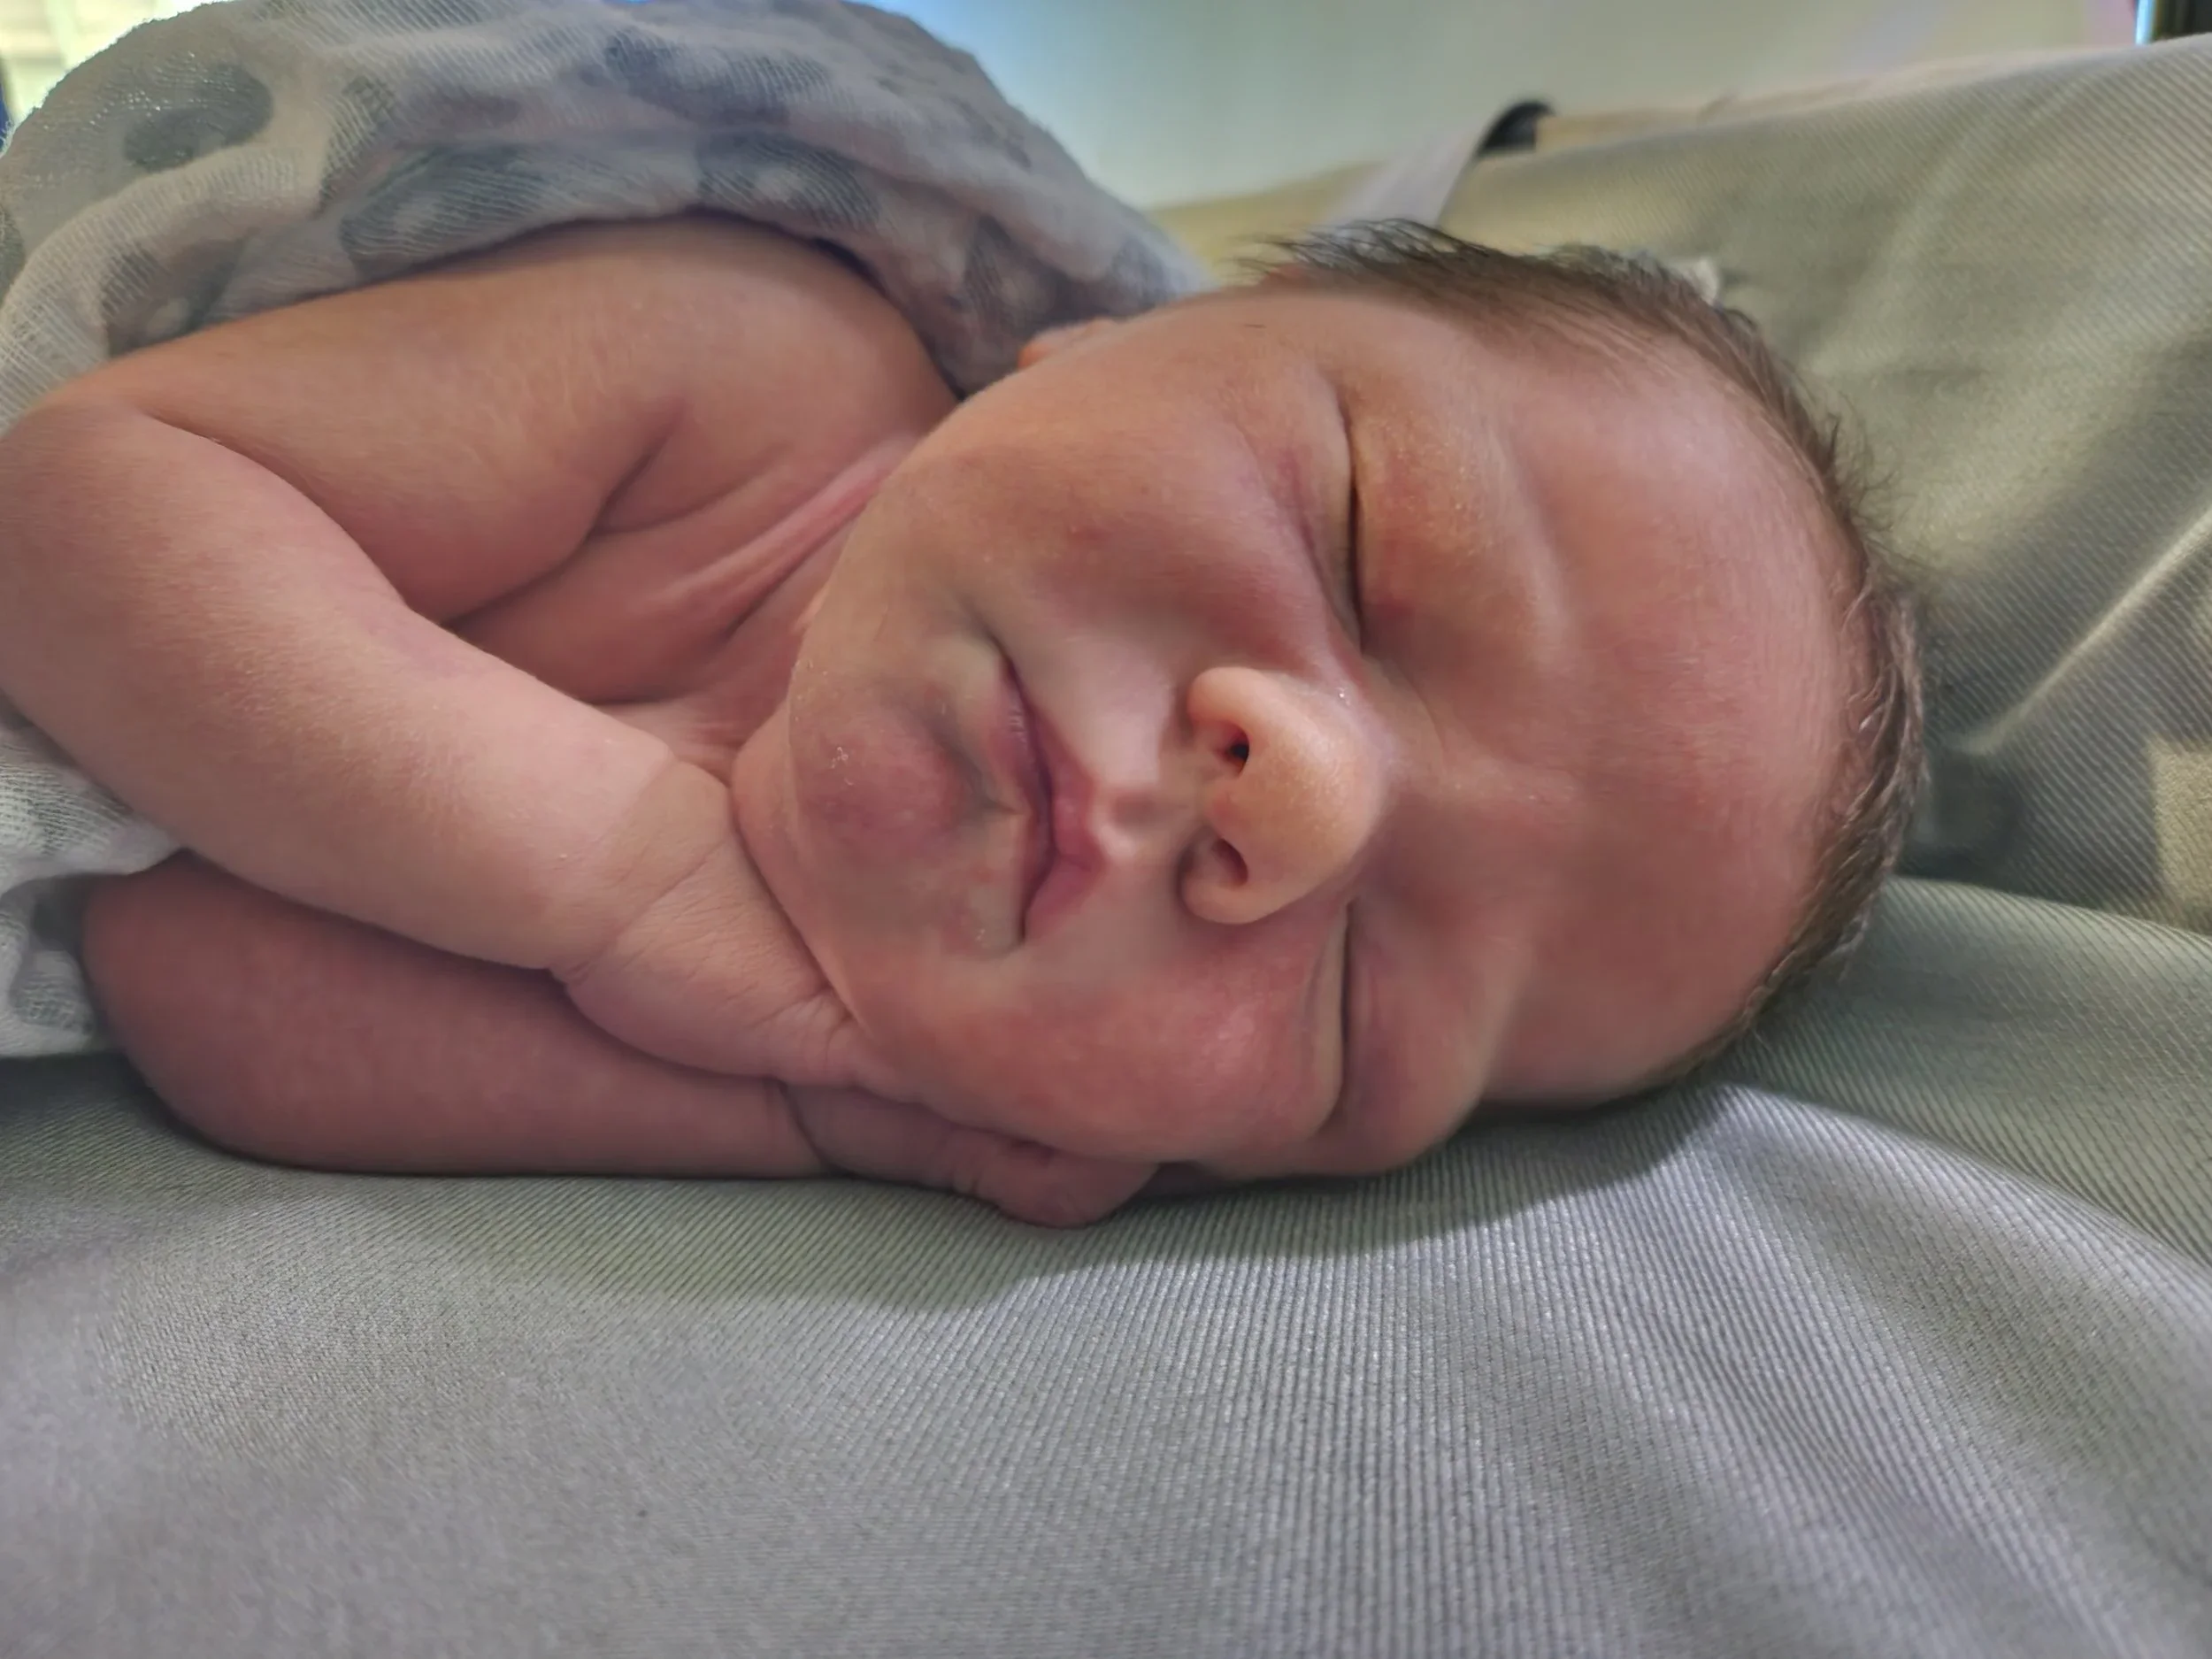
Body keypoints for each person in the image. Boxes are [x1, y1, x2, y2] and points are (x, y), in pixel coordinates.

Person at [0, 211, 1920, 1226]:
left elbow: (174, 959)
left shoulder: (809, 1037)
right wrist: (617, 882)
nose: (1306, 807)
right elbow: (78, 499)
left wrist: (822, 1111)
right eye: (1358, 540)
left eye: (1360, 1016)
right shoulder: (737, 361)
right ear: (1109, 336)